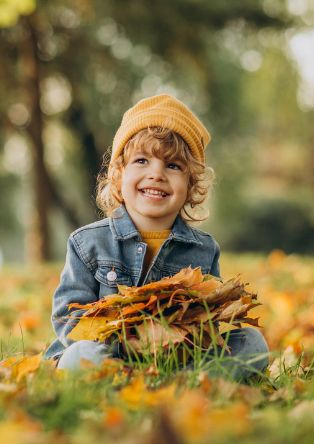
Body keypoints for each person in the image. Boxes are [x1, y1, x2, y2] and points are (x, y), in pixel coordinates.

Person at [44, 94, 268, 380]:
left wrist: (185, 339)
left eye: (173, 166)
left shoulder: (204, 250)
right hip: (109, 356)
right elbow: (67, 317)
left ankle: (183, 383)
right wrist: (126, 342)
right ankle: (126, 381)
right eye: (141, 161)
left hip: (177, 359)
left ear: (190, 185)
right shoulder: (87, 243)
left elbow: (209, 320)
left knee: (252, 343)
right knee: (79, 356)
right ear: (119, 175)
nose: (157, 174)